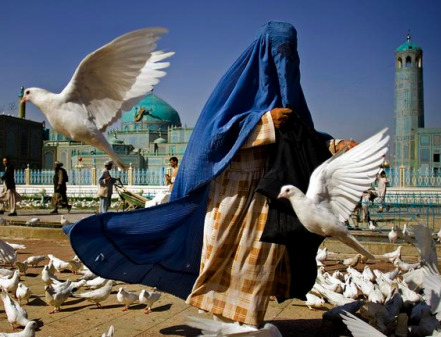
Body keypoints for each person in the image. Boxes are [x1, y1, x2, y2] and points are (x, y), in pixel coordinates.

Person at [64, 21, 355, 329]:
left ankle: (247, 326)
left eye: (289, 54)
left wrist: (334, 144)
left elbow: (305, 134)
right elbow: (210, 139)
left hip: (266, 203)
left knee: (257, 262)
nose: (284, 62)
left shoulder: (289, 100)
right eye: (278, 53)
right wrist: (264, 122)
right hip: (229, 198)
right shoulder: (233, 95)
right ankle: (224, 321)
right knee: (223, 261)